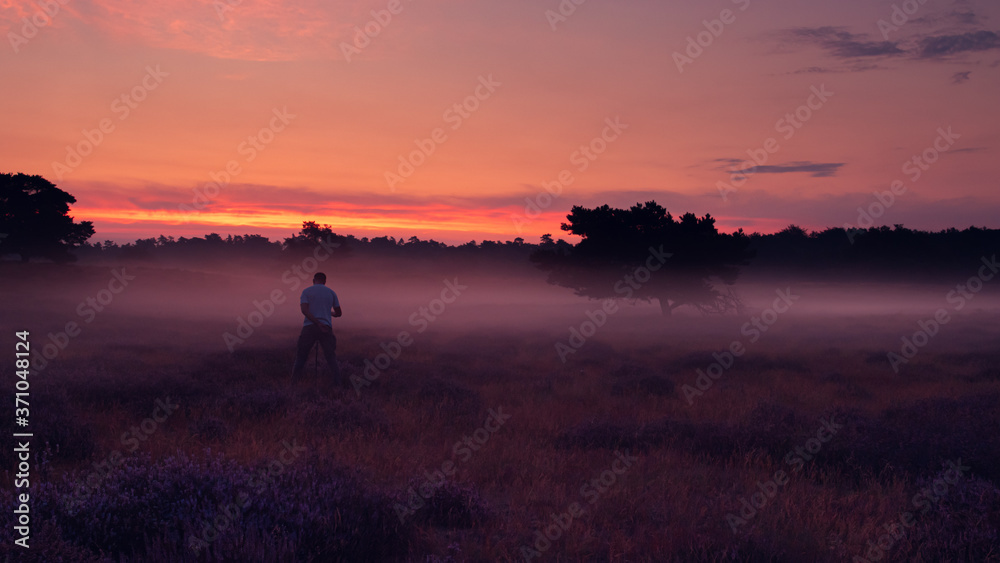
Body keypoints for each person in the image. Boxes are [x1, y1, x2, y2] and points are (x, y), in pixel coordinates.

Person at [291, 272, 342, 382]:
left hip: (309, 327)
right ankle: (338, 385)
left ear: (314, 280)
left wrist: (316, 322)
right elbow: (339, 313)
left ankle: (293, 384)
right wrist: (328, 314)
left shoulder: (306, 291)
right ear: (325, 281)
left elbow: (304, 310)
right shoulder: (331, 293)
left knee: (301, 356)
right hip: (326, 327)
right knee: (331, 358)